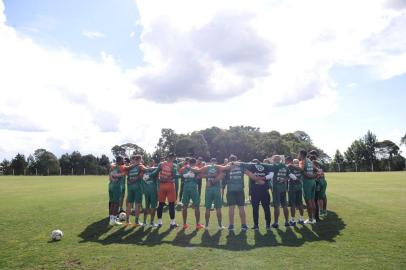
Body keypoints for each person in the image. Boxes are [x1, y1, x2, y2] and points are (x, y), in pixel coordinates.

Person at [192, 158, 228, 230]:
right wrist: (215, 175)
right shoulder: (218, 167)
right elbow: (223, 173)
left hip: (208, 189)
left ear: (210, 162)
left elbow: (199, 174)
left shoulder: (207, 167)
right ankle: (220, 226)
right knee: (218, 208)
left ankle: (207, 226)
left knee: (208, 208)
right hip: (217, 189)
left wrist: (208, 175)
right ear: (216, 162)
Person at [146, 153, 178, 229]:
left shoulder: (161, 164)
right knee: (171, 205)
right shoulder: (174, 165)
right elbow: (174, 175)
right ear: (173, 158)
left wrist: (148, 176)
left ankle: (159, 222)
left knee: (160, 204)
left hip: (162, 186)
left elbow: (155, 172)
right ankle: (172, 223)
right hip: (170, 186)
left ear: (167, 157)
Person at [288, 150, 317, 224]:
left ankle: (310, 219)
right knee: (312, 201)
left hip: (307, 183)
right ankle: (313, 218)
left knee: (308, 201)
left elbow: (301, 169)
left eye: (299, 154)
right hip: (313, 182)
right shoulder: (310, 161)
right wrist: (314, 175)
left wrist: (292, 166)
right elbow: (316, 169)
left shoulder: (302, 161)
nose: (298, 155)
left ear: (301, 154)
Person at [243, 159, 273, 230]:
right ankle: (267, 225)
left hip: (256, 191)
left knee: (256, 209)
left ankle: (256, 225)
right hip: (263, 191)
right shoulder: (265, 167)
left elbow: (245, 169)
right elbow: (270, 175)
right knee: (266, 208)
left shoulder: (252, 167)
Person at [222, 154, 249, 231]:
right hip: (240, 189)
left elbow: (223, 176)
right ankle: (243, 225)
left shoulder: (227, 167)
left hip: (230, 190)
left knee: (231, 208)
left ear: (230, 160)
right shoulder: (241, 166)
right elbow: (248, 171)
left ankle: (231, 225)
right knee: (241, 207)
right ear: (236, 159)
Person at [179, 158, 204, 230]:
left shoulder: (184, 168)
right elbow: (199, 176)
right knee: (196, 206)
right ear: (195, 162)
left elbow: (180, 174)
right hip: (193, 187)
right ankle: (197, 224)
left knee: (185, 206)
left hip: (186, 187)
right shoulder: (196, 167)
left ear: (189, 162)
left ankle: (184, 224)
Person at [124, 155, 146, 226]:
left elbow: (127, 174)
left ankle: (127, 220)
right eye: (141, 159)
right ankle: (136, 221)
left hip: (130, 188)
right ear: (139, 159)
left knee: (129, 204)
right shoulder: (140, 166)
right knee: (138, 204)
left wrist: (130, 181)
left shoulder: (130, 167)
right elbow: (141, 176)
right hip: (138, 187)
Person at [270, 155, 290, 228]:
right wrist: (284, 180)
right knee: (284, 205)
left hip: (276, 188)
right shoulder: (285, 166)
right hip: (283, 187)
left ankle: (276, 222)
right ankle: (287, 221)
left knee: (276, 206)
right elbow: (288, 176)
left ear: (274, 160)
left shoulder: (274, 166)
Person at [286, 157, 305, 225]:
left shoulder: (290, 167)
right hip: (299, 187)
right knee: (300, 203)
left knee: (292, 204)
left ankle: (293, 220)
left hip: (292, 187)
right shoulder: (300, 168)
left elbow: (288, 176)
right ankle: (301, 219)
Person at [309, 150, 328, 217]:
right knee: (320, 197)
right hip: (320, 181)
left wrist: (316, 178)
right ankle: (321, 210)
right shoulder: (316, 162)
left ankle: (322, 211)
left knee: (320, 197)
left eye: (311, 154)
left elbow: (320, 173)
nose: (310, 156)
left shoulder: (316, 162)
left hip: (319, 182)